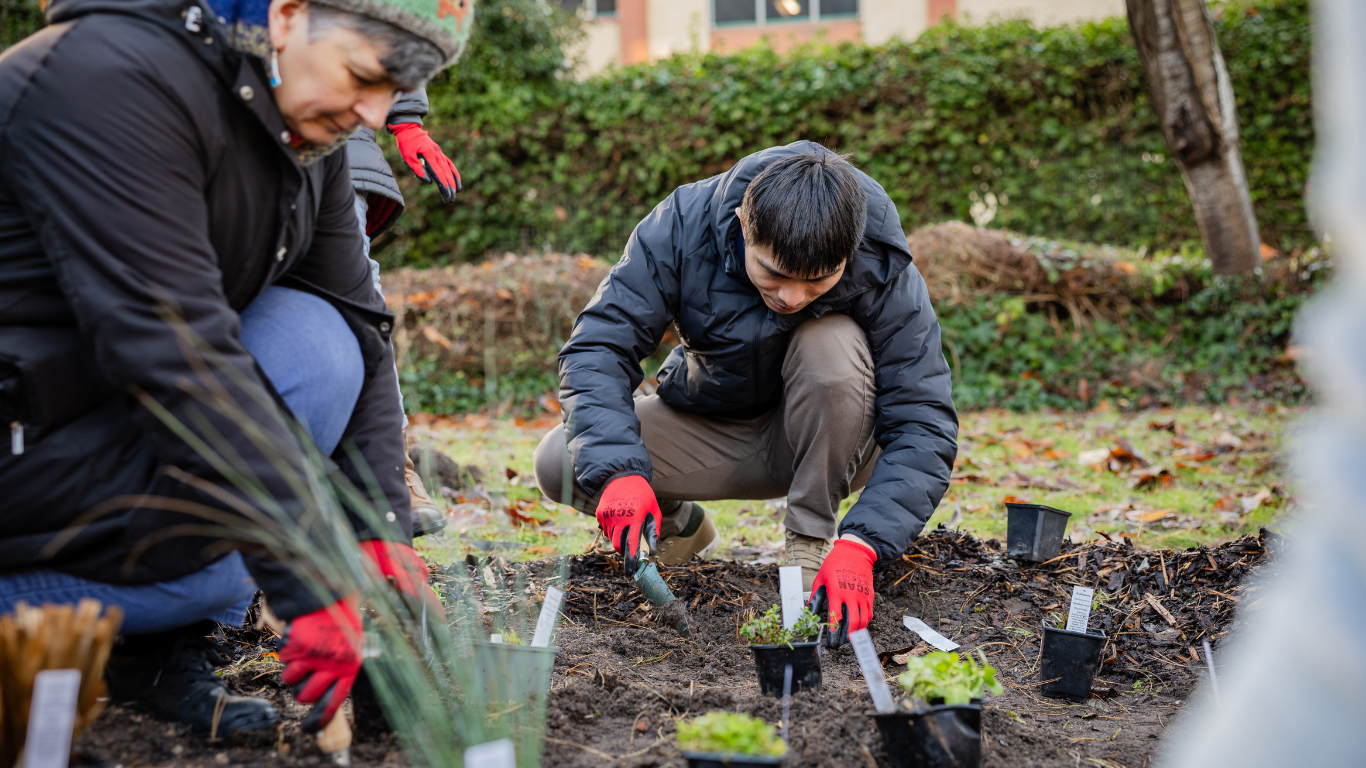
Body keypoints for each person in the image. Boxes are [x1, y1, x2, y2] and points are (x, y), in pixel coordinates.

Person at [0, 0, 470, 737]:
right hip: (23, 446)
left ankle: (153, 645)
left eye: (396, 93)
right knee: (230, 563)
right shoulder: (106, 80)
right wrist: (311, 576)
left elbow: (359, 320)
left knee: (321, 337)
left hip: (93, 417)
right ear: (285, 16)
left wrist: (380, 536)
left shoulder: (296, 130)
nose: (376, 115)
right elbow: (178, 354)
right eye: (362, 76)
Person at [533, 142, 958, 648]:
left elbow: (924, 417)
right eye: (774, 273)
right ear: (742, 225)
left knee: (830, 342)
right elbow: (600, 345)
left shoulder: (881, 262)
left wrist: (864, 542)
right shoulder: (682, 226)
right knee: (562, 463)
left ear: (851, 249)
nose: (792, 297)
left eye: (818, 281)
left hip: (839, 439)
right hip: (721, 423)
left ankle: (811, 544)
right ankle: (681, 525)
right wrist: (620, 472)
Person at [346, 85, 462, 536]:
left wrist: (407, 117)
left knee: (356, 292)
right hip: (224, 133)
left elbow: (395, 16)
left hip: (336, 144)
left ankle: (392, 472)